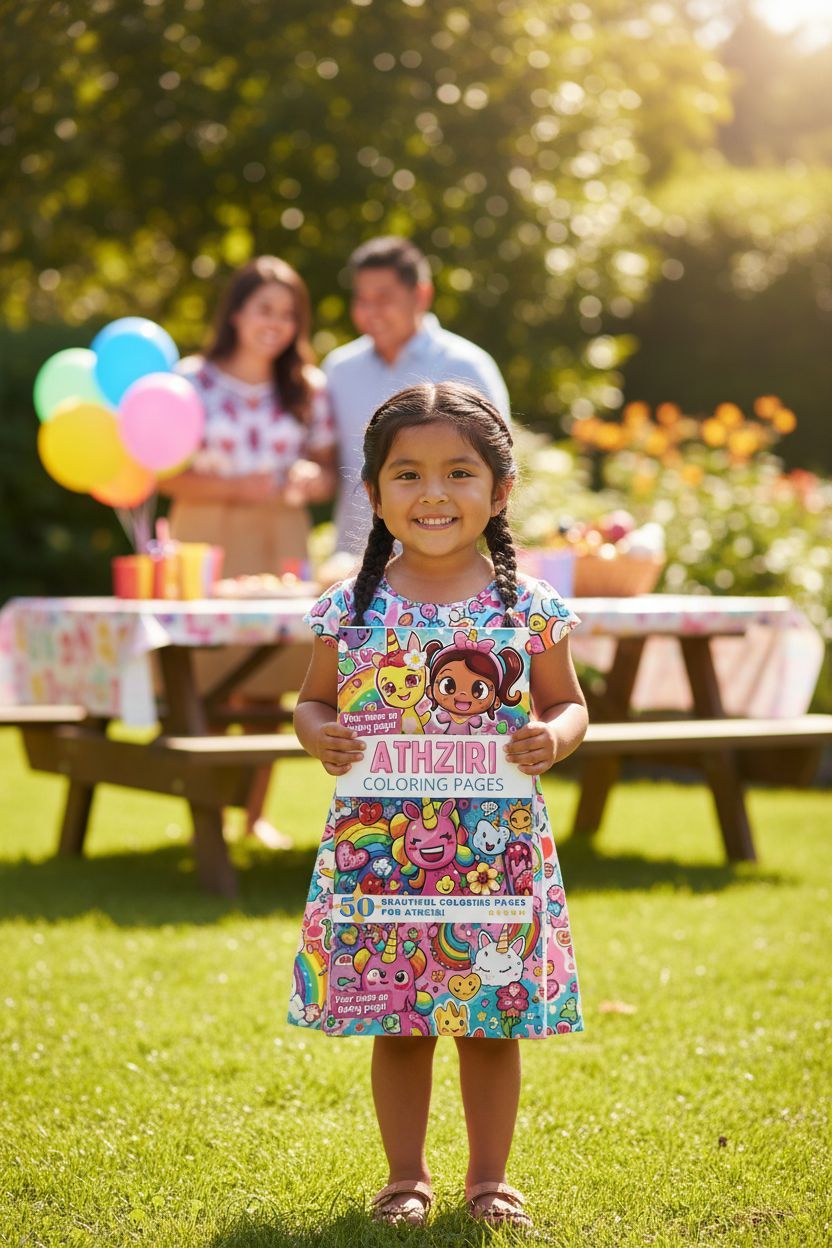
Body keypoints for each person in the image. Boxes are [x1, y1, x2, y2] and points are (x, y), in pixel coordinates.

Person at [289, 382, 588, 1229]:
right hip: (385, 854)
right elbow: (310, 703)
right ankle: (405, 1179)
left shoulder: (526, 610)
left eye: (459, 473)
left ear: (499, 492)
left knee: (492, 1023)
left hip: (493, 852)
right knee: (402, 1015)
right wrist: (321, 737)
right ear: (375, 494)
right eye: (408, 475)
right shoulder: (350, 612)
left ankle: (490, 1181)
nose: (433, 494)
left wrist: (554, 739)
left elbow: (570, 703)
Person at [160, 256, 337, 846]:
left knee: (272, 672)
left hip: (281, 536)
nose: (277, 324)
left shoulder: (308, 387)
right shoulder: (192, 381)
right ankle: (203, 816)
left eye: (289, 314)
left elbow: (331, 466)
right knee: (206, 674)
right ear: (235, 312)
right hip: (205, 534)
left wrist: (315, 477)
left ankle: (254, 816)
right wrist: (236, 487)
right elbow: (162, 474)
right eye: (265, 309)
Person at [323, 236, 510, 553]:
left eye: (383, 298)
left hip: (450, 565)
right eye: (362, 300)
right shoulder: (338, 370)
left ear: (421, 295)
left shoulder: (468, 365)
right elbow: (326, 463)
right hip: (355, 565)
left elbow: (501, 465)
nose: (372, 312)